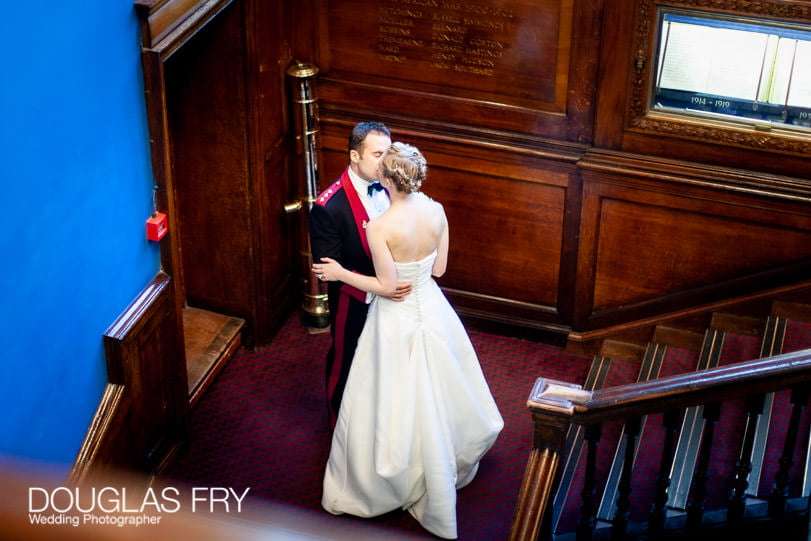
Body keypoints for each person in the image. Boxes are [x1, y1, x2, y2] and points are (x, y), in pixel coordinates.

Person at [312, 142, 504, 539]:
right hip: (432, 308)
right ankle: (439, 460)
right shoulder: (436, 210)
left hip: (396, 317)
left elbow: (386, 286)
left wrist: (340, 274)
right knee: (440, 387)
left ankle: (394, 475)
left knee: (392, 395)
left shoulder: (380, 227)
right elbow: (440, 269)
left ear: (386, 180)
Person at [309, 122, 412, 427]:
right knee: (347, 360)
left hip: (394, 295)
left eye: (388, 153)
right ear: (355, 155)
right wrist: (381, 288)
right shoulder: (329, 208)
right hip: (353, 301)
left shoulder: (393, 185)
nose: (386, 162)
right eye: (378, 154)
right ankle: (337, 425)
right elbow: (330, 271)